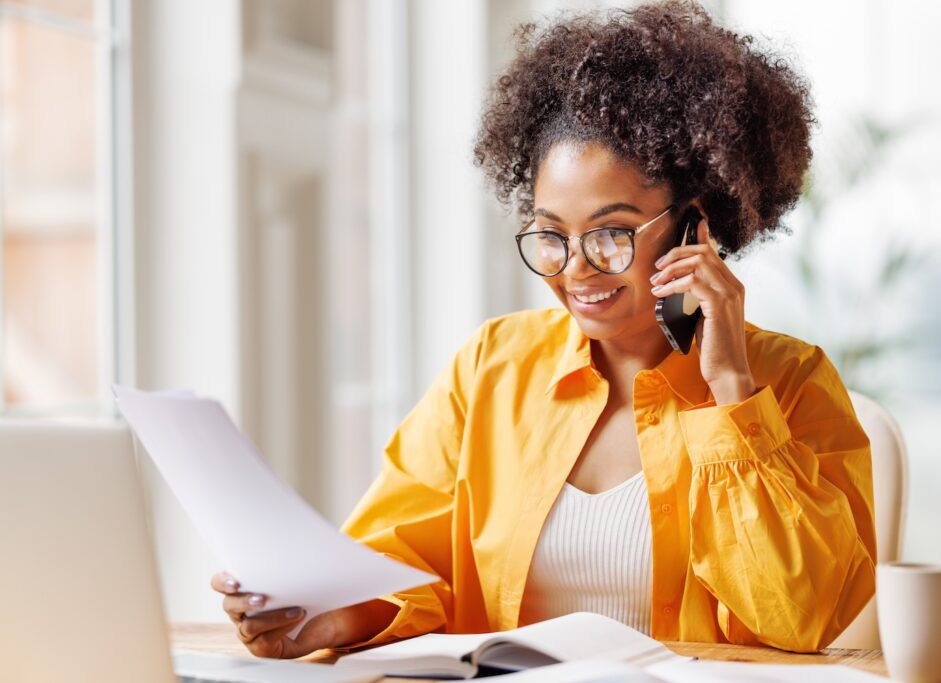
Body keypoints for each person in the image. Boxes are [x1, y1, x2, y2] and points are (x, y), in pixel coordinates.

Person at [212, 0, 876, 658]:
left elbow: (801, 615)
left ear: (691, 226)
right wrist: (327, 619)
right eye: (551, 235)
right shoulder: (492, 367)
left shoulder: (790, 382)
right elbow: (401, 560)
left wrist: (730, 387)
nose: (577, 268)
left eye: (611, 234)